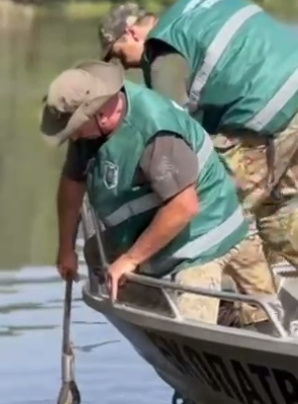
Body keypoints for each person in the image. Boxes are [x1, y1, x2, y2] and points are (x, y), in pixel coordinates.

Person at [94, 0, 298, 325]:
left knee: (219, 204)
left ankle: (253, 317)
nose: (127, 66)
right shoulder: (195, 9)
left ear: (132, 32)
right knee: (268, 209)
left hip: (271, 112)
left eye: (120, 55)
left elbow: (176, 135)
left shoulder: (162, 51)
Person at [42, 59, 252, 325]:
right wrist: (65, 248)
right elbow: (72, 184)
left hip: (203, 234)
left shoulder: (154, 132)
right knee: (98, 257)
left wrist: (131, 260)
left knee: (189, 327)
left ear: (102, 114)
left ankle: (221, 311)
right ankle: (165, 304)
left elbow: (184, 206)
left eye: (74, 128)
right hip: (154, 222)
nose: (72, 137)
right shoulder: (91, 128)